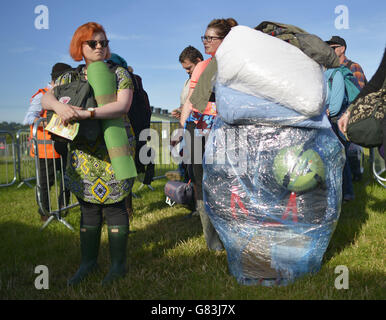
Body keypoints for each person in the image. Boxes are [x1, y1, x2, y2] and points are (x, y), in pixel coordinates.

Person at [41, 22, 135, 286]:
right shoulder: (68, 77)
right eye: (93, 43)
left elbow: (121, 106)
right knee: (89, 208)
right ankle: (88, 263)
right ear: (79, 47)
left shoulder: (119, 73)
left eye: (103, 43)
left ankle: (118, 266)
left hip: (113, 149)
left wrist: (85, 113)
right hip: (83, 152)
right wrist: (59, 107)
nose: (99, 47)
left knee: (116, 207)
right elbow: (45, 99)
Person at [179, 18, 238, 251]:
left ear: (225, 40)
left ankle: (229, 235)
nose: (206, 42)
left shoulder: (234, 64)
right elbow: (192, 101)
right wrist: (186, 127)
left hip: (222, 129)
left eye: (211, 38)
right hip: (198, 128)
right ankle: (213, 241)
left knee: (223, 181)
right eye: (204, 37)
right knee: (201, 182)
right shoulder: (204, 66)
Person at [23, 62, 72, 221]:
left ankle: (63, 209)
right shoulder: (42, 95)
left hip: (63, 147)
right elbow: (29, 118)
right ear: (58, 79)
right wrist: (52, 123)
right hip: (45, 151)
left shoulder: (65, 93)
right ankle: (45, 213)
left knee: (67, 181)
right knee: (45, 183)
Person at [338, 48, 386, 167]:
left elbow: (360, 86)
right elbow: (376, 82)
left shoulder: (354, 67)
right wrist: (349, 111)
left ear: (342, 48)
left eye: (333, 48)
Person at [325, 67, 355, 202]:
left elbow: (335, 107)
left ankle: (347, 193)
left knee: (340, 157)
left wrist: (326, 110)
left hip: (335, 121)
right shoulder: (318, 74)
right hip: (325, 120)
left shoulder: (335, 74)